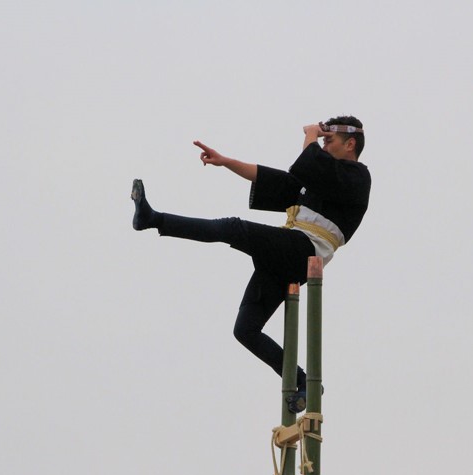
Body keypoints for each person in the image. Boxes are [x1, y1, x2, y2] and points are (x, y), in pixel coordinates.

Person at [131, 116, 371, 412]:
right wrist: (225, 161)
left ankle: (153, 219)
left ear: (350, 144)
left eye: (328, 141)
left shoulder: (357, 178)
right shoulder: (321, 180)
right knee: (245, 330)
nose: (322, 146)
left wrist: (311, 133)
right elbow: (271, 177)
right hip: (288, 253)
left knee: (231, 228)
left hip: (303, 251)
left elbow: (309, 164)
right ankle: (303, 382)